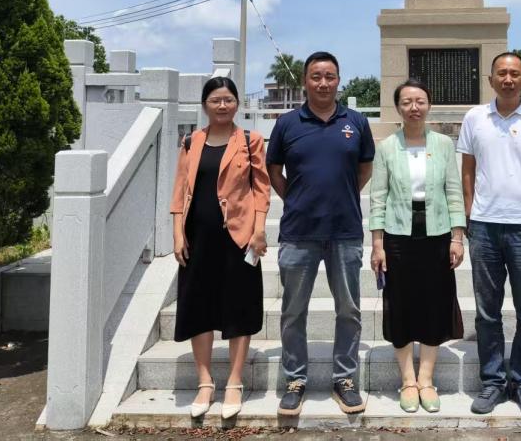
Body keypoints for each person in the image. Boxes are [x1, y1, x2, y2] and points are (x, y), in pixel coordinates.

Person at [266, 51, 375, 416]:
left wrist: (342, 196)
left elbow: (364, 168)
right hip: (299, 232)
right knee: (293, 311)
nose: (323, 83)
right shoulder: (287, 124)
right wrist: (297, 199)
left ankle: (344, 379)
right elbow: (274, 170)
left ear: (338, 80)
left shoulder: (356, 122)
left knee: (349, 310)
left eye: (330, 76)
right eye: (316, 76)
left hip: (345, 231)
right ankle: (295, 380)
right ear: (305, 81)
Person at [457, 52, 521, 417]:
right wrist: (470, 215)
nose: (508, 79)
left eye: (515, 73)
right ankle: (492, 381)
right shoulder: (475, 118)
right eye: (501, 73)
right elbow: (467, 170)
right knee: (487, 312)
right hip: (485, 226)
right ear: (491, 80)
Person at [169, 76, 270, 420]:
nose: (222, 105)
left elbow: (261, 190)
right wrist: (178, 235)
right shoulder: (190, 142)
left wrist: (259, 231)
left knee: (239, 307)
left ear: (237, 103)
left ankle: (235, 382)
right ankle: (205, 381)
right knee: (199, 307)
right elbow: (179, 192)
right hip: (197, 238)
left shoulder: (250, 141)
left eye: (228, 99)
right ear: (205, 105)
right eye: (215, 100)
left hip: (238, 237)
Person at [369, 79, 466, 413]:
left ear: (429, 105)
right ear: (398, 107)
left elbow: (453, 190)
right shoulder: (387, 147)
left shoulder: (442, 144)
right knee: (400, 303)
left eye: (420, 101)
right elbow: (378, 197)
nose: (414, 107)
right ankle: (408, 380)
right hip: (397, 235)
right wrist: (377, 244)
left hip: (437, 233)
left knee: (434, 303)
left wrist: (457, 236)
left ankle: (426, 379)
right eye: (407, 102)